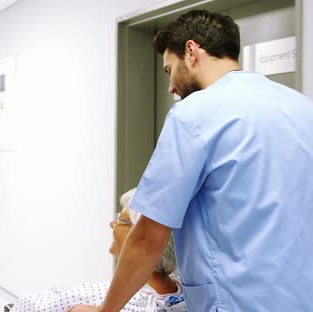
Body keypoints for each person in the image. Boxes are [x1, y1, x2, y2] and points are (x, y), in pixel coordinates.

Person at [69, 10, 313, 312]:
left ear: (191, 50)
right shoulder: (302, 108)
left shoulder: (193, 115)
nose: (171, 86)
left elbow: (148, 238)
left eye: (169, 70)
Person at [12, 189, 186, 312]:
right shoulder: (184, 294)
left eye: (121, 220)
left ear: (141, 240)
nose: (112, 223)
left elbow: (27, 307)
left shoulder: (98, 296)